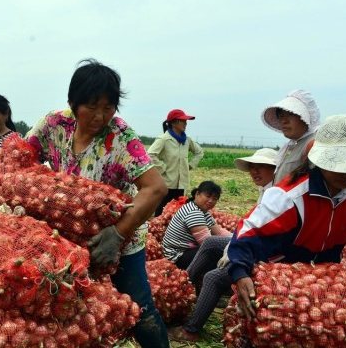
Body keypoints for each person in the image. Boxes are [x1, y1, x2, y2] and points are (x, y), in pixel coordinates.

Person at [26, 59, 170, 348]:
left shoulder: (120, 137)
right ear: (72, 102)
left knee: (139, 309)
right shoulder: (54, 124)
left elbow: (155, 189)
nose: (99, 116)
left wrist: (116, 235)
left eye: (108, 107)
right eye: (91, 107)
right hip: (68, 239)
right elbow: (23, 157)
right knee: (74, 314)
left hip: (118, 239)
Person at [228, 114, 346, 322]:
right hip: (282, 280)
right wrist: (240, 273)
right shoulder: (291, 196)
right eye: (338, 164)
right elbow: (247, 232)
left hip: (324, 281)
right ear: (320, 161)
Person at [169, 149, 278, 343]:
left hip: (266, 253)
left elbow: (260, 234)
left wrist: (234, 245)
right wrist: (234, 242)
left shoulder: (276, 194)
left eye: (261, 167)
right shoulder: (267, 191)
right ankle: (184, 286)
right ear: (197, 194)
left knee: (213, 275)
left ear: (275, 169)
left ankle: (190, 326)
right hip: (183, 252)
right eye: (252, 167)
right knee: (211, 244)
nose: (254, 171)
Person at [161, 181, 231, 272]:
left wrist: (236, 238)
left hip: (187, 250)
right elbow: (207, 243)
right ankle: (191, 277)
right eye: (208, 196)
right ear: (197, 194)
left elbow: (219, 232)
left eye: (214, 198)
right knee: (216, 255)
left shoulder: (202, 211)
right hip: (177, 256)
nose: (211, 201)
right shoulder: (193, 212)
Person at [148, 108, 204, 216]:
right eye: (183, 121)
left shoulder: (187, 140)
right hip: (166, 184)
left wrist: (190, 166)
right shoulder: (163, 139)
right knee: (162, 213)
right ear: (174, 123)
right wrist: (163, 167)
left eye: (186, 121)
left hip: (181, 184)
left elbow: (199, 152)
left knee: (178, 213)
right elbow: (149, 155)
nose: (186, 124)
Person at [261, 89, 320, 184]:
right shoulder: (292, 146)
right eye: (281, 116)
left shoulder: (314, 143)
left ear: (306, 117)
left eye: (290, 114)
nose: (284, 121)